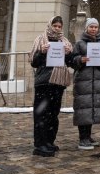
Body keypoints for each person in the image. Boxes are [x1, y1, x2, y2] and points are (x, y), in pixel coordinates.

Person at [29, 15, 73, 157]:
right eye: (55, 25)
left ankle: (49, 141)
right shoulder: (40, 40)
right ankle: (40, 144)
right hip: (44, 82)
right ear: (50, 25)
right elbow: (34, 62)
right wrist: (42, 52)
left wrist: (67, 54)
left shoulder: (64, 41)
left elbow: (70, 61)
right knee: (41, 114)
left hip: (57, 83)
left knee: (53, 114)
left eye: (59, 26)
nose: (57, 28)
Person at [68, 17, 100, 150]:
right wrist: (80, 60)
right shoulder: (80, 43)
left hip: (97, 79)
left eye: (95, 27)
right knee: (83, 109)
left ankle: (88, 136)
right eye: (91, 27)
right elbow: (72, 60)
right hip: (84, 79)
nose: (93, 29)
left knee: (92, 109)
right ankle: (83, 138)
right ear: (86, 28)